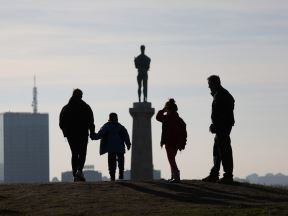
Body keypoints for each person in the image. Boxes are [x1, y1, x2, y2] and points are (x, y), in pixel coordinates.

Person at [202, 75, 235, 184]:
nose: (209, 87)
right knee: (217, 150)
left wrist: (216, 125)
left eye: (210, 85)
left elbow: (222, 113)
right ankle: (215, 174)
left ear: (215, 84)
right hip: (222, 126)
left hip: (222, 127)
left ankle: (227, 176)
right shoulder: (220, 94)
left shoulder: (221, 95)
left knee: (224, 150)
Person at [59, 89, 96, 182]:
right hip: (83, 133)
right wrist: (92, 132)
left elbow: (61, 123)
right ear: (81, 96)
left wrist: (65, 132)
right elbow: (91, 121)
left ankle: (75, 174)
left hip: (71, 135)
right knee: (82, 153)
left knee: (74, 153)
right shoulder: (86, 107)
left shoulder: (66, 108)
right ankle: (79, 171)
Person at [91, 113, 131, 181]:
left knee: (111, 162)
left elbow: (100, 135)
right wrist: (128, 144)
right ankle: (121, 174)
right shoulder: (121, 127)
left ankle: (112, 177)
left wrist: (93, 136)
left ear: (109, 118)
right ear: (117, 118)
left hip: (110, 148)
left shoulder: (106, 126)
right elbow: (126, 136)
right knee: (121, 161)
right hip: (120, 147)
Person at [156, 99, 187, 183]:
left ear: (168, 109)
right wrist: (183, 143)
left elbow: (158, 117)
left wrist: (162, 110)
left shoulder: (167, 118)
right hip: (177, 143)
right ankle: (173, 176)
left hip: (169, 142)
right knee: (172, 159)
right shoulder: (180, 120)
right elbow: (184, 133)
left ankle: (176, 176)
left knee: (171, 159)